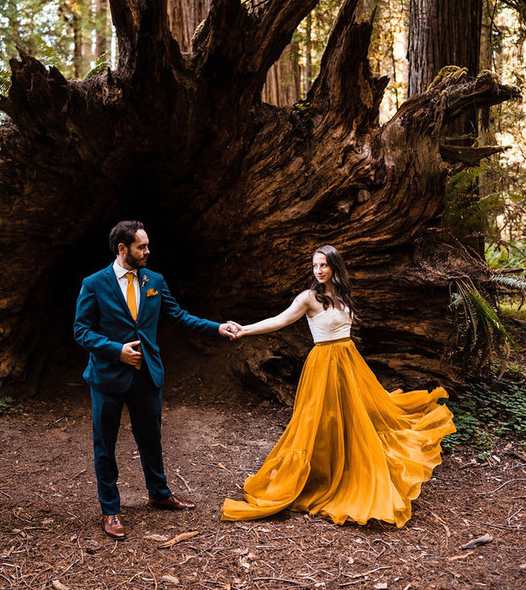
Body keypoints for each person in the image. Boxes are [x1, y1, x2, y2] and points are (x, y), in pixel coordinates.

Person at [222, 245, 455, 528]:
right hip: (323, 363)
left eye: (324, 265)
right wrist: (245, 329)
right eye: (315, 266)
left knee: (357, 418)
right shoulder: (309, 297)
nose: (319, 271)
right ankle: (318, 477)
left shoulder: (343, 294)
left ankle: (353, 470)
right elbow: (280, 320)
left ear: (335, 266)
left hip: (348, 360)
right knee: (318, 421)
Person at [74, 220, 238, 540]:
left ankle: (159, 494)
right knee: (104, 445)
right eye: (142, 247)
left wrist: (216, 328)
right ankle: (111, 510)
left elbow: (178, 316)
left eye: (147, 245)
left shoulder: (154, 280)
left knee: (151, 438)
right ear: (123, 249)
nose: (148, 251)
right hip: (107, 377)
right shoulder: (94, 283)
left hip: (147, 375)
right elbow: (81, 331)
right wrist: (116, 351)